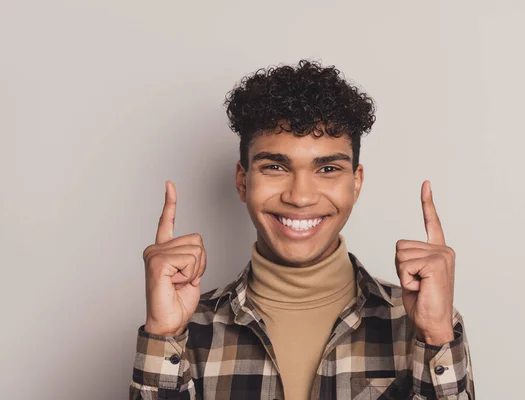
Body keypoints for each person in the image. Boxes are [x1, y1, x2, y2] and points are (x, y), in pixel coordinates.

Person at [129, 60, 475, 400]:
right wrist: (164, 334)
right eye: (275, 166)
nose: (300, 196)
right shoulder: (187, 330)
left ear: (356, 183)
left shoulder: (420, 321)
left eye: (327, 168)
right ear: (242, 180)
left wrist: (435, 337)